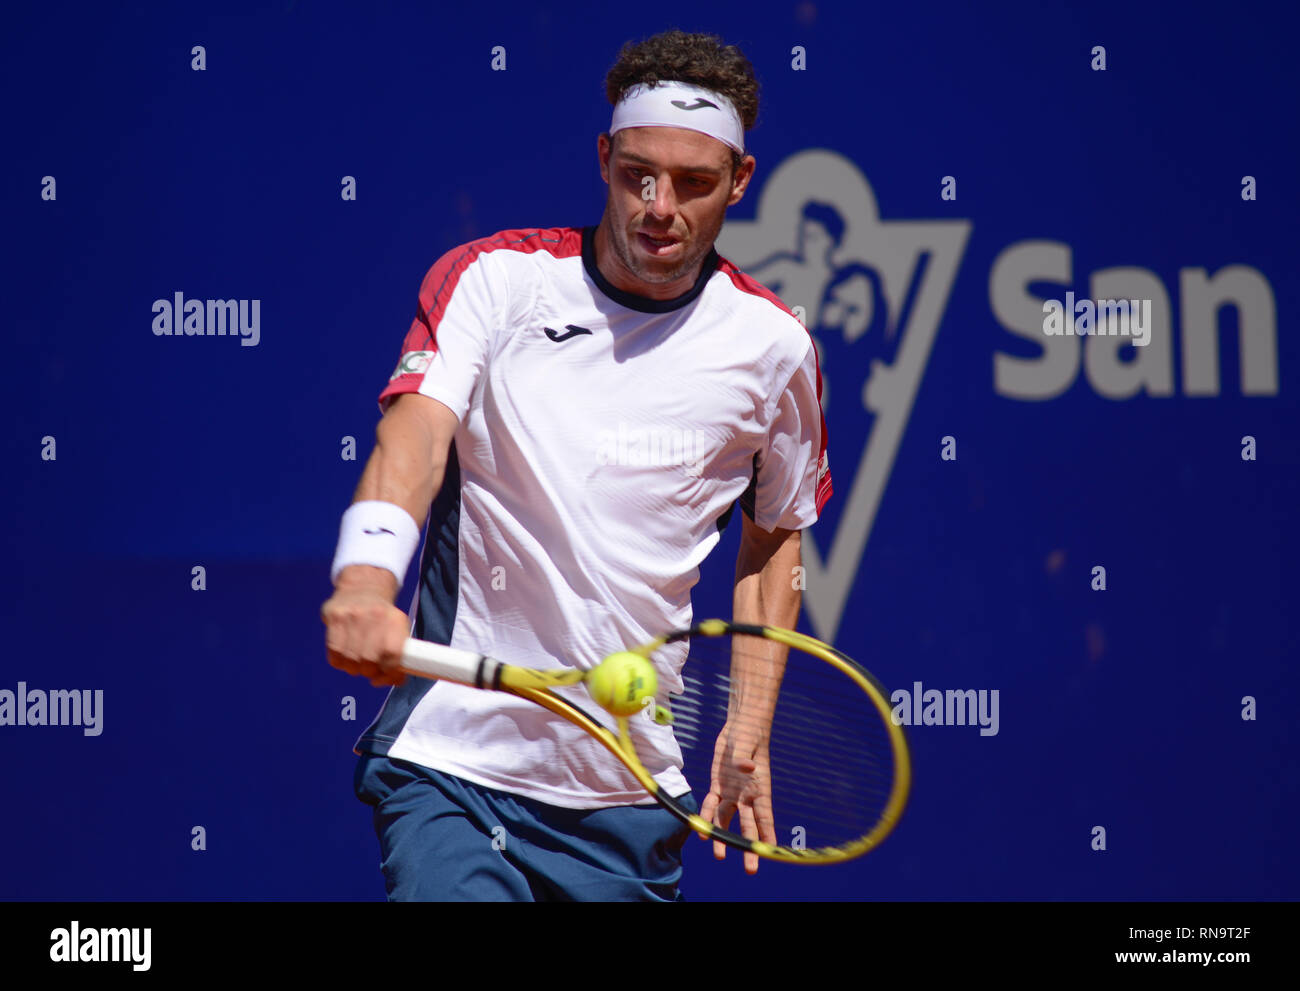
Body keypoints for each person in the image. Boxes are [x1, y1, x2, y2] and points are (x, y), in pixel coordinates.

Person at [320, 29, 832, 902]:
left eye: (693, 182)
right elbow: (414, 436)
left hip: (628, 800)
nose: (658, 204)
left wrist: (748, 721)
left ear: (740, 182)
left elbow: (775, 536)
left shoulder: (774, 348)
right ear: (604, 158)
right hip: (455, 764)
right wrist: (367, 580)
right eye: (637, 173)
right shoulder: (497, 282)